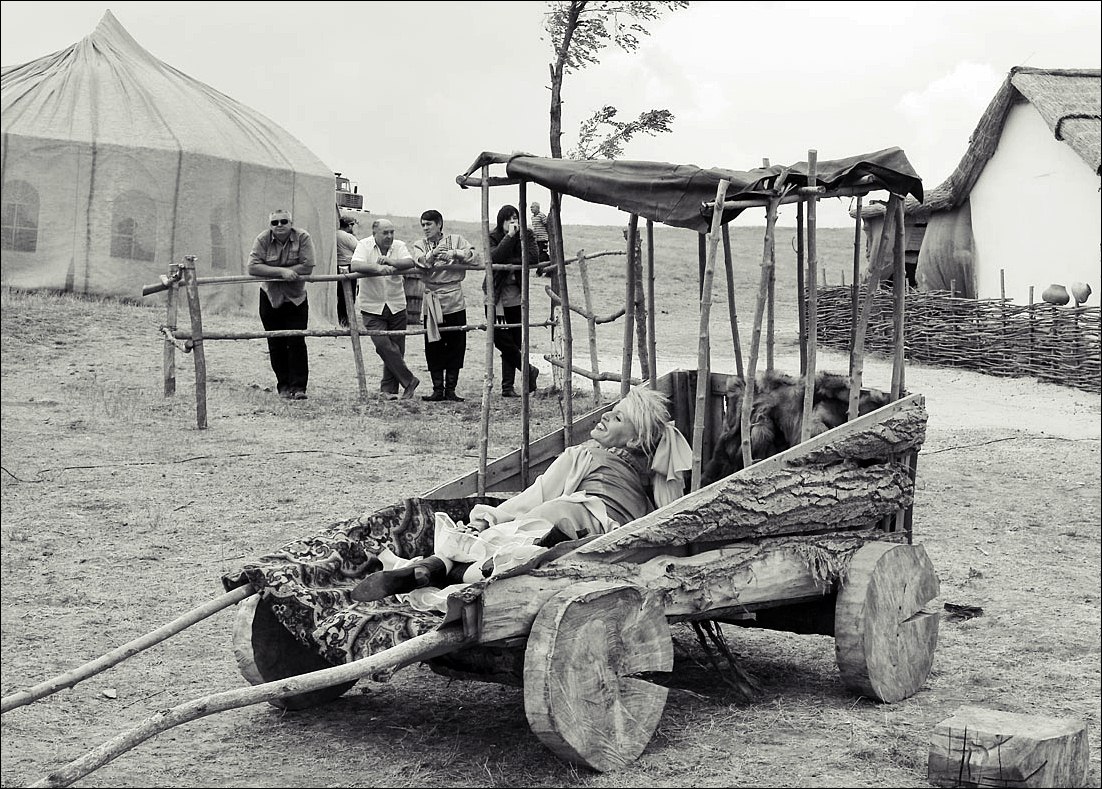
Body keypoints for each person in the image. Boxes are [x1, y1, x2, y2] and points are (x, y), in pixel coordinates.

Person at [350, 385, 693, 611]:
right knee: (513, 555)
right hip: (612, 542)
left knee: (492, 541)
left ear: (633, 441)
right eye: (611, 410)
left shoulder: (584, 455)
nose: (604, 415)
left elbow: (534, 497)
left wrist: (493, 515)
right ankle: (436, 573)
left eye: (617, 417)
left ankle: (429, 570)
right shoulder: (650, 477)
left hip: (566, 518)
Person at [411, 210, 479, 402]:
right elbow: (419, 262)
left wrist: (456, 253)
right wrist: (431, 255)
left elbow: (475, 257)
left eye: (429, 224)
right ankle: (437, 389)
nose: (425, 228)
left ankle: (451, 389)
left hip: (454, 299)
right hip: (432, 298)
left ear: (439, 224)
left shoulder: (457, 240)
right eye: (423, 224)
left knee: (456, 343)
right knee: (433, 345)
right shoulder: (419, 245)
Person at [247, 208, 315, 400]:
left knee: (296, 340)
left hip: (296, 298)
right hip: (270, 297)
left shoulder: (303, 237)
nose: (279, 226)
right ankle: (283, 386)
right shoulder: (262, 239)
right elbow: (252, 266)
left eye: (283, 221)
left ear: (291, 223)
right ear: (270, 225)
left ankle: (299, 387)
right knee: (275, 342)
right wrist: (282, 272)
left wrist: (270, 269)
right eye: (274, 223)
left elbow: (308, 265)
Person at [351, 218, 420, 400]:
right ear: (374, 234)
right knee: (383, 345)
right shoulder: (364, 246)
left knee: (396, 348)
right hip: (372, 306)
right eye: (385, 233)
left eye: (391, 232)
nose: (389, 236)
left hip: (396, 304)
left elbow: (409, 262)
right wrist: (376, 268)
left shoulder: (399, 246)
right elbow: (355, 265)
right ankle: (409, 380)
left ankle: (388, 391)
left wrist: (391, 262)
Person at [487, 204, 541, 398]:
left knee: (515, 342)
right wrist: (509, 237)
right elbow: (494, 257)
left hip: (517, 298)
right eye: (508, 219)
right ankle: (528, 371)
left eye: (515, 218)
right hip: (496, 298)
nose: (512, 222)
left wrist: (523, 238)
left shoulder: (525, 234)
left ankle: (507, 387)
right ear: (501, 221)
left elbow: (533, 258)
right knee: (501, 340)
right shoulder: (492, 236)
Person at [335, 214, 360, 328]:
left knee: (340, 295)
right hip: (348, 266)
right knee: (350, 294)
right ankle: (348, 319)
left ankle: (342, 319)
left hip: (337, 266)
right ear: (349, 225)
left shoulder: (335, 234)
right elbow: (359, 249)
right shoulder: (347, 237)